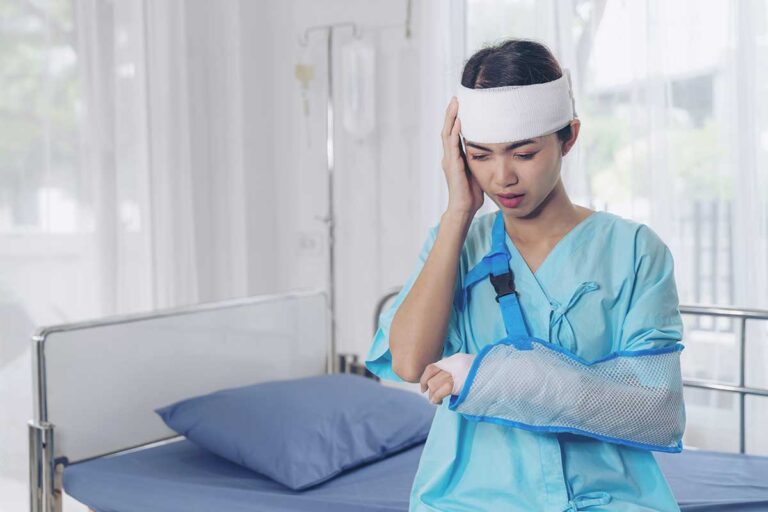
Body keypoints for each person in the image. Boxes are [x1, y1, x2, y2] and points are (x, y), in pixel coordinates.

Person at [365, 39, 685, 511]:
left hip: (607, 499)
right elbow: (411, 363)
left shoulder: (635, 251)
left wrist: (487, 376)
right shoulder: (455, 244)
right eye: (480, 155)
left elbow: (656, 410)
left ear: (568, 137)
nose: (501, 178)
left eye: (523, 153)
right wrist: (459, 211)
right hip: (472, 498)